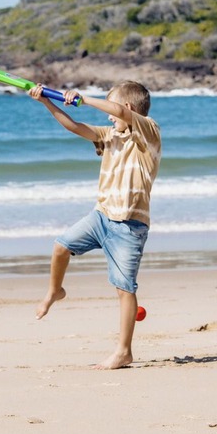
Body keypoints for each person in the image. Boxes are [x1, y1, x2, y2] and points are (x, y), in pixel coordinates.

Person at [28, 81, 161, 369]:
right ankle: (55, 291)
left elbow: (117, 111)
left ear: (127, 109)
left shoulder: (149, 131)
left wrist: (84, 98)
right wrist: (47, 103)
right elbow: (74, 127)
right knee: (61, 246)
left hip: (129, 226)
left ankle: (124, 351)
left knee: (124, 288)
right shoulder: (109, 135)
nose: (109, 117)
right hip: (101, 217)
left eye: (113, 110)